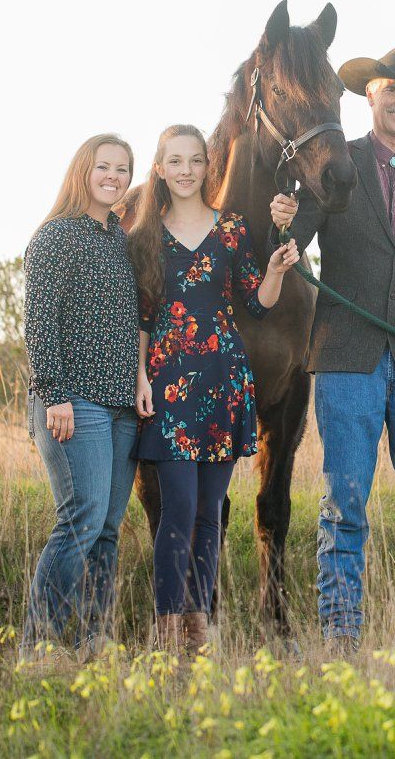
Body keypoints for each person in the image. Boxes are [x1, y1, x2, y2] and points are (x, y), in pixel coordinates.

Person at [271, 46, 395, 652]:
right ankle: (341, 641)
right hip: (344, 358)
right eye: (391, 90)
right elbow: (295, 241)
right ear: (369, 95)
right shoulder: (337, 161)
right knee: (344, 501)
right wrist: (284, 216)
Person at [128, 124, 299, 651]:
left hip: (224, 382)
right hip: (170, 383)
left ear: (208, 167)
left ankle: (199, 632)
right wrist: (139, 377)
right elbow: (141, 315)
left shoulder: (231, 229)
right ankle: (165, 630)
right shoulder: (145, 234)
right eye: (174, 161)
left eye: (194, 161)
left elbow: (258, 300)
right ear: (160, 169)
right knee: (177, 512)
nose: (185, 171)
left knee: (209, 513)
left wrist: (273, 268)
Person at [22, 133, 140, 662]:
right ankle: (40, 642)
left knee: (108, 529)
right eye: (104, 167)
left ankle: (95, 640)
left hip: (120, 407)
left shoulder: (120, 237)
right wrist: (54, 395)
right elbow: (41, 322)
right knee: (81, 518)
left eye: (122, 169)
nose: (113, 177)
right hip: (73, 402)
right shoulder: (55, 237)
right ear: (82, 171)